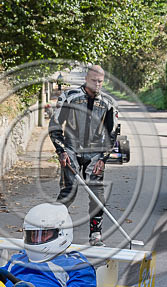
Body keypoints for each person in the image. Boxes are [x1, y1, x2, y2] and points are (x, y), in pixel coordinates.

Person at [49, 65, 118, 247]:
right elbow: (55, 125)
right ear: (86, 79)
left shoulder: (108, 102)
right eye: (94, 80)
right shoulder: (70, 97)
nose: (97, 84)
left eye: (100, 81)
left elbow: (113, 133)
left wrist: (103, 158)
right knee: (68, 191)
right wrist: (61, 150)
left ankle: (96, 233)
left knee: (97, 194)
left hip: (95, 152)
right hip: (70, 149)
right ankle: (53, 229)